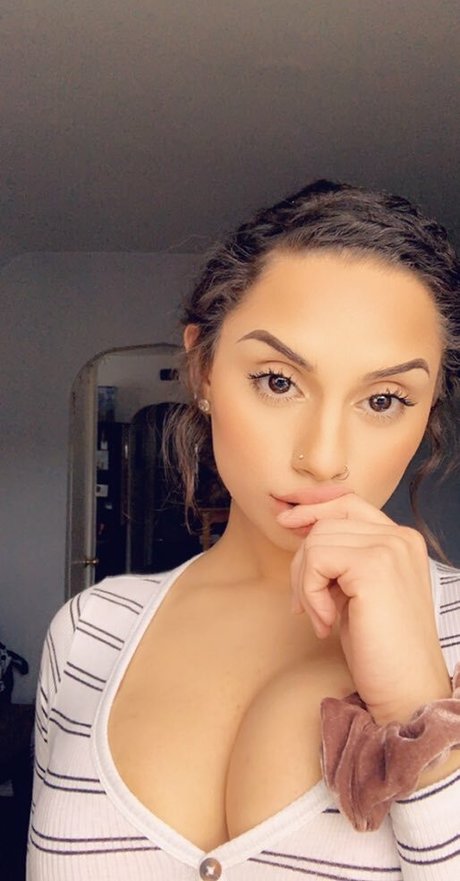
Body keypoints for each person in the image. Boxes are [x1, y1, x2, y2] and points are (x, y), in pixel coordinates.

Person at [28, 180, 460, 880]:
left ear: (428, 409)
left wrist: (420, 708)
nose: (323, 457)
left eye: (383, 399)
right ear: (203, 369)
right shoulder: (87, 634)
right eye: (278, 381)